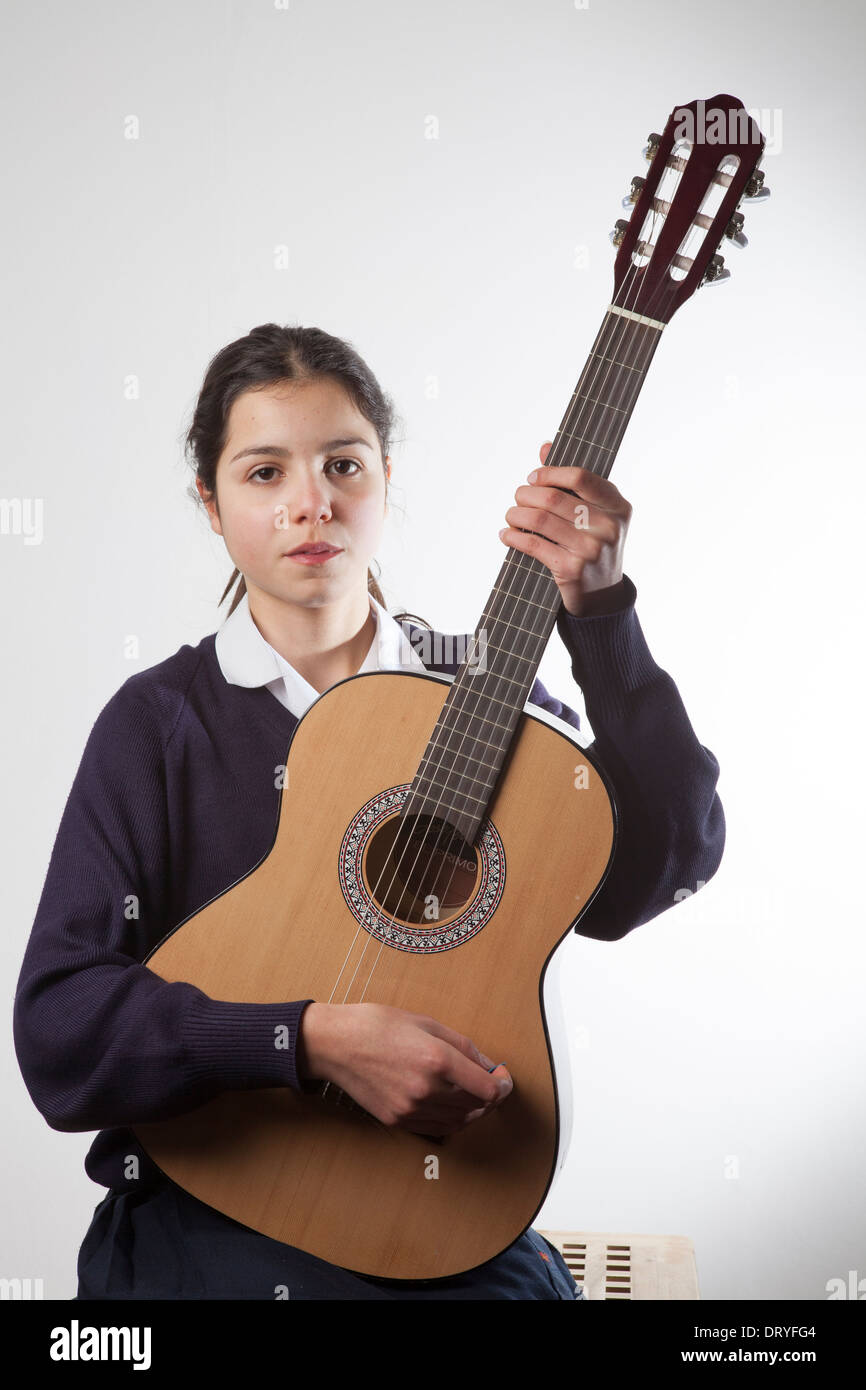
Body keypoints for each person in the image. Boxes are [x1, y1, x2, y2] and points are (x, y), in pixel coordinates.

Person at [13, 323, 725, 1300]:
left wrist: (602, 618)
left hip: (449, 1213)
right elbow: (60, 1031)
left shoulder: (483, 696)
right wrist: (304, 1038)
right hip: (210, 1209)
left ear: (385, 477)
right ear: (211, 505)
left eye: (342, 463)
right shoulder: (159, 724)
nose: (312, 501)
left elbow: (663, 863)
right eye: (264, 473)